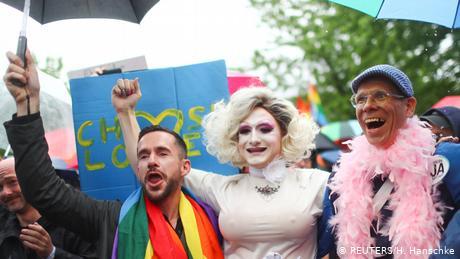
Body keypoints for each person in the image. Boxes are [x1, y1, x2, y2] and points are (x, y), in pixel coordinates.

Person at [2, 49, 223, 259]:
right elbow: (43, 189)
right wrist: (26, 103)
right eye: (143, 156)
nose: (151, 161)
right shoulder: (113, 219)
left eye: (162, 153)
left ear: (185, 167)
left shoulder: (216, 218)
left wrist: (127, 113)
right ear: (138, 168)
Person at [114, 80, 333, 258]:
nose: (253, 139)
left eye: (265, 129)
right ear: (234, 140)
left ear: (284, 135)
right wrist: (126, 113)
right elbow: (153, 167)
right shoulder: (221, 188)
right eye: (244, 131)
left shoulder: (318, 182)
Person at [328, 64, 459, 258]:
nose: (368, 106)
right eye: (360, 99)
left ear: (409, 106)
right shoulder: (342, 173)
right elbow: (331, 243)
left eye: (380, 96)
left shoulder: (445, 157)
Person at [0, 157, 97, 259]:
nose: (6, 192)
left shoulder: (74, 222)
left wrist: (51, 253)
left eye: (12, 182)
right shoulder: (3, 227)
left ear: (33, 181)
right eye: (0, 187)